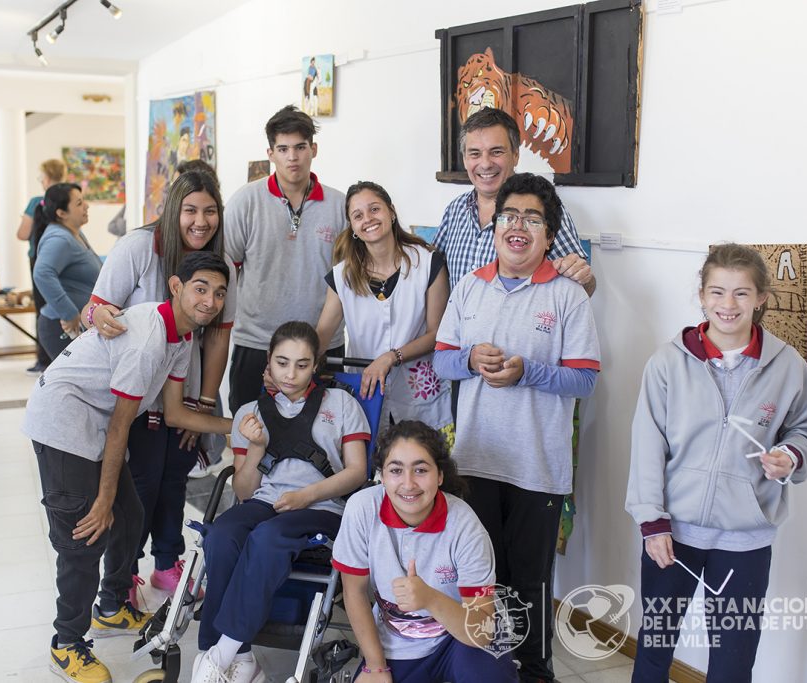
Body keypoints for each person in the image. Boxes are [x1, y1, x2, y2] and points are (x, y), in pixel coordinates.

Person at [22, 250, 234, 683]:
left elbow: (174, 413)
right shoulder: (149, 339)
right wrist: (102, 499)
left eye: (218, 293)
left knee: (130, 516)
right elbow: (121, 427)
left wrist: (238, 427)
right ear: (175, 287)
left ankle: (112, 607)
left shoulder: (183, 337)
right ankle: (66, 645)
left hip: (93, 424)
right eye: (200, 289)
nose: (210, 301)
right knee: (86, 534)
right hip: (63, 423)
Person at [626, 243, 807, 683]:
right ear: (701, 296)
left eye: (741, 294)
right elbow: (647, 445)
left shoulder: (788, 366)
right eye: (717, 292)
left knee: (734, 660)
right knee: (656, 644)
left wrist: (790, 456)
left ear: (760, 300)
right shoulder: (667, 363)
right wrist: (652, 522)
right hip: (673, 533)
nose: (728, 305)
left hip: (746, 539)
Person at [433, 173, 600, 683]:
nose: (518, 226)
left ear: (550, 234)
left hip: (537, 467)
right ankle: (485, 668)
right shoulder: (470, 286)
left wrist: (529, 370)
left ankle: (533, 672)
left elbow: (585, 379)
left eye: (533, 218)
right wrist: (469, 358)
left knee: (529, 584)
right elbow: (441, 363)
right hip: (477, 461)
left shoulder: (569, 296)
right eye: (509, 216)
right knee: (482, 579)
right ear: (495, 226)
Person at [83, 169, 237, 604]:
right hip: (136, 393)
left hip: (187, 390)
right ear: (172, 210)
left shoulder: (218, 259)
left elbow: (220, 333)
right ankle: (123, 574)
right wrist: (101, 319)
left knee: (175, 478)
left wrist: (205, 404)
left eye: (210, 211)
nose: (200, 222)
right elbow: (92, 311)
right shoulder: (138, 247)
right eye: (190, 210)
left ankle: (167, 564)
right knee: (141, 484)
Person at [191, 321, 370, 683]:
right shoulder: (248, 414)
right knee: (222, 535)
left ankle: (218, 653)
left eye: (302, 364)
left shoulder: (342, 404)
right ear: (268, 363)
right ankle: (242, 658)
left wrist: (308, 495)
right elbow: (243, 491)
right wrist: (256, 447)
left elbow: (357, 473)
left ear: (315, 366)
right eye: (282, 362)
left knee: (268, 537)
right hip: (265, 502)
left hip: (323, 508)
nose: (291, 373)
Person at [332, 420, 518, 683]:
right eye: (396, 470)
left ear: (440, 475)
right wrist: (375, 666)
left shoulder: (466, 528)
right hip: (398, 644)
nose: (408, 484)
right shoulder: (361, 509)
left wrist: (430, 598)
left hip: (462, 639)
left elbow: (481, 632)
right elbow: (354, 592)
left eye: (420, 470)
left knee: (488, 675)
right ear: (381, 476)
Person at [223, 105, 346, 413]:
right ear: (271, 153)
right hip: (257, 343)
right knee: (249, 435)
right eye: (283, 149)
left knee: (324, 439)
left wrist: (316, 347)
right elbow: (223, 269)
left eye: (300, 147)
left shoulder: (339, 205)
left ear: (313, 149)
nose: (292, 157)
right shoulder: (245, 201)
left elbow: (347, 281)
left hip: (322, 345)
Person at [316, 181, 452, 437]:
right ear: (353, 227)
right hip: (366, 392)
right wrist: (291, 363)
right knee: (369, 469)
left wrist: (391, 356)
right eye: (358, 216)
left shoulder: (428, 263)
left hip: (419, 395)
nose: (367, 219)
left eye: (374, 209)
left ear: (391, 212)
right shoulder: (342, 276)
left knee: (421, 465)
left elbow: (437, 334)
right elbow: (322, 335)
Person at [433, 108, 595, 296]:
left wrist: (583, 276)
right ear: (465, 159)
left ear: (516, 155)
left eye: (496, 152)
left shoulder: (542, 209)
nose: (485, 164)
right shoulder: (455, 211)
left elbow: (583, 286)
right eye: (475, 153)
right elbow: (432, 274)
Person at [32, 182, 101, 361]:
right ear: (61, 213)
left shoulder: (73, 233)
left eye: (83, 200)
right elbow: (42, 273)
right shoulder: (59, 239)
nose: (86, 206)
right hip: (62, 327)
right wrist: (69, 313)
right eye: (79, 203)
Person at [17, 158, 67, 374]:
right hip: (65, 258)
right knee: (62, 302)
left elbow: (22, 233)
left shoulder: (37, 201)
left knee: (43, 308)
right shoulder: (68, 198)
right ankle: (64, 354)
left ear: (45, 178)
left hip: (40, 260)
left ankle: (44, 359)